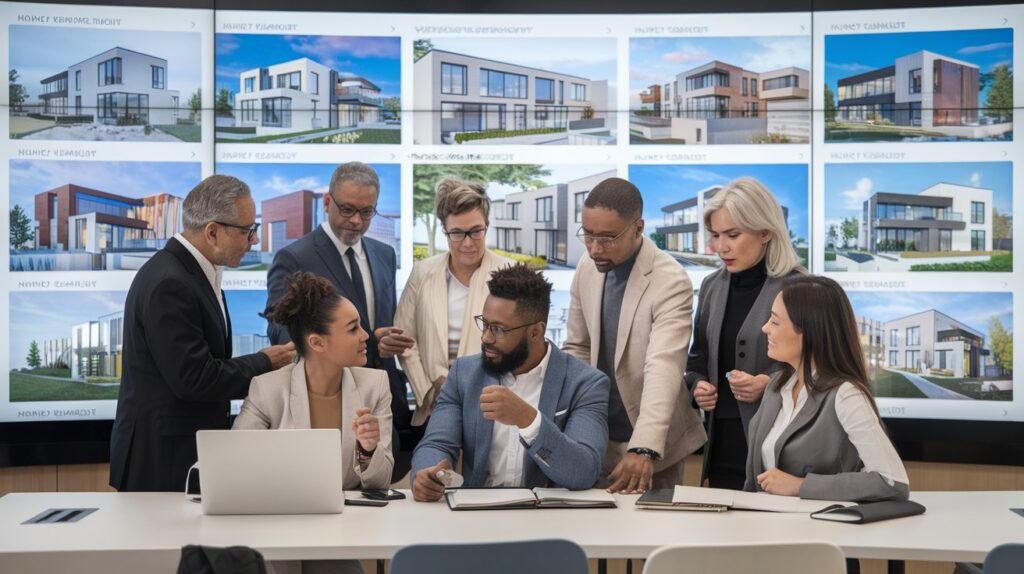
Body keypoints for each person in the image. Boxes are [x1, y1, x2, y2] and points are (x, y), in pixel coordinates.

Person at [109, 175, 296, 492]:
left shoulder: (195, 272)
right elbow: (193, 378)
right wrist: (265, 362)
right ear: (212, 232)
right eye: (248, 231)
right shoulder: (171, 282)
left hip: (178, 452)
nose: (253, 241)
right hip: (162, 461)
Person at [410, 264, 610, 502]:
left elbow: (583, 472)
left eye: (498, 329)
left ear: (536, 332)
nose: (486, 337)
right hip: (478, 517)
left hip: (551, 520)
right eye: (484, 324)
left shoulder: (586, 384)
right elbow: (436, 443)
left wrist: (528, 419)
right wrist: (427, 474)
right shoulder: (464, 374)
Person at [236, 273, 392, 574]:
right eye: (353, 329)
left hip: (341, 536)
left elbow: (380, 482)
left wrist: (368, 449)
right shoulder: (267, 390)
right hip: (276, 536)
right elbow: (234, 468)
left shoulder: (374, 385)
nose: (365, 336)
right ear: (317, 342)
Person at [564, 177, 705, 494]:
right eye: (588, 235)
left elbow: (664, 365)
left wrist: (643, 448)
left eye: (607, 238)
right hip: (593, 440)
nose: (594, 248)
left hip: (653, 448)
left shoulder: (670, 281)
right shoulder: (587, 266)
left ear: (638, 228)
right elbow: (577, 347)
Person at [264, 161, 411, 463]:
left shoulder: (385, 255)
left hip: (383, 402)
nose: (357, 220)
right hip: (326, 403)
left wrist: (380, 339)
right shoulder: (293, 257)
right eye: (347, 210)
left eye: (367, 212)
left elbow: (378, 323)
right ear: (327, 202)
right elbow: (280, 330)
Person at [744, 275, 909, 502]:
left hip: (821, 532)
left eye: (774, 321)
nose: (764, 329)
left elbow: (892, 482)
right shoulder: (776, 387)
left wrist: (801, 486)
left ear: (810, 331)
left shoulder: (846, 394)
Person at [685, 177, 805, 490]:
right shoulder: (711, 287)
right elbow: (696, 362)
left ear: (765, 231)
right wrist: (697, 385)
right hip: (721, 444)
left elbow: (824, 371)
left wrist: (770, 384)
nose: (720, 246)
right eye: (715, 235)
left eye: (733, 235)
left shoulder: (801, 288)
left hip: (782, 448)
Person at [394, 178, 511, 427]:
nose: (467, 242)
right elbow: (405, 341)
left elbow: (519, 343)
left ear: (487, 227)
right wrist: (431, 386)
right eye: (457, 233)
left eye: (476, 231)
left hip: (493, 406)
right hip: (435, 404)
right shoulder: (422, 273)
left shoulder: (509, 273)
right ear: (445, 231)